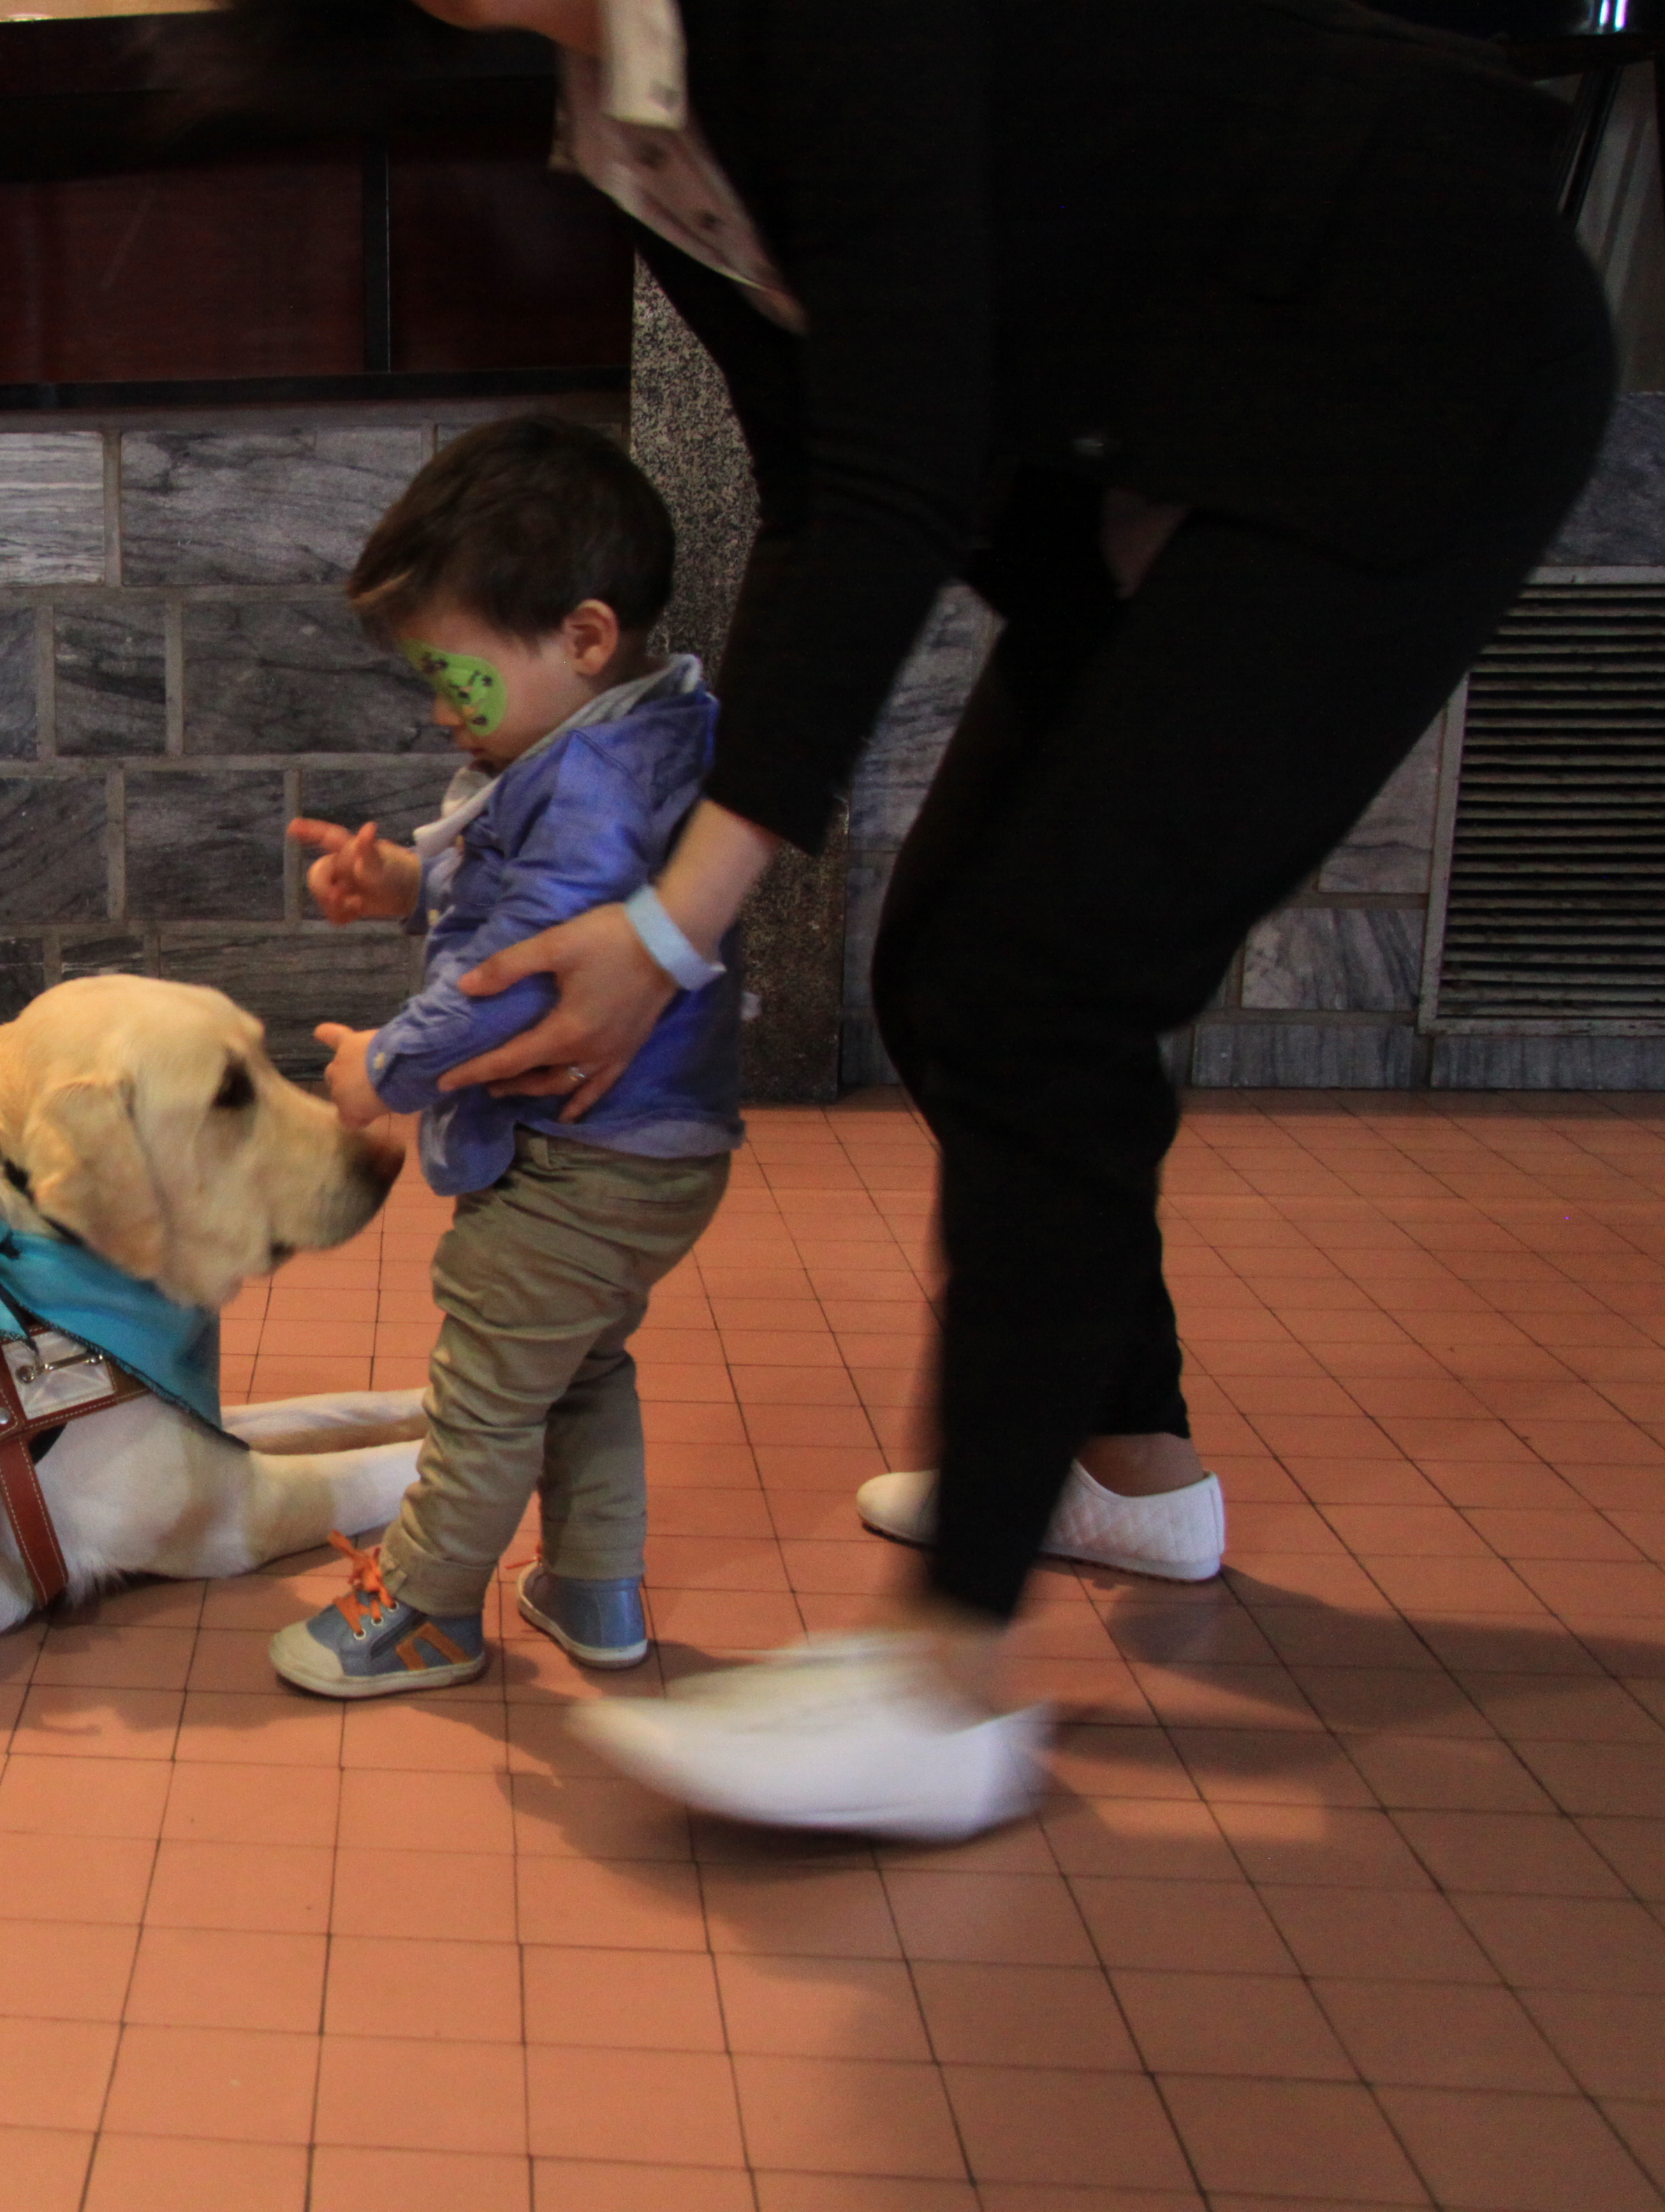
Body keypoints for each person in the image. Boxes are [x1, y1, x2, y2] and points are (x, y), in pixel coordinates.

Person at [237, 0, 1615, 1834]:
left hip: (1401, 367)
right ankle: (1128, 1469)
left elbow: (900, 463)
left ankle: (944, 1680)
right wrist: (665, 904)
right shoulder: (624, 104)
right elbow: (823, 479)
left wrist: (671, 935)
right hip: (1172, 453)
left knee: (1034, 987)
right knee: (951, 973)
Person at [270, 417, 742, 1696]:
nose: (441, 712)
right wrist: (410, 881)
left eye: (455, 679)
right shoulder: (635, 739)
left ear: (585, 638)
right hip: (657, 1153)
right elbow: (532, 895)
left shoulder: (587, 780)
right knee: (580, 1366)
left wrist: (385, 1069)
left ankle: (424, 1611)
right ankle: (593, 1588)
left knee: (482, 1392)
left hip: (577, 1162)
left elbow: (515, 975)